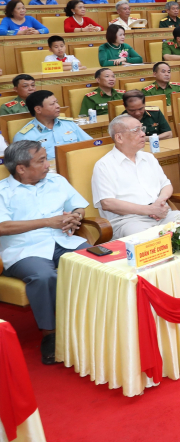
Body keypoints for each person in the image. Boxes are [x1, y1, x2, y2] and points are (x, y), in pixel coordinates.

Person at [0, 140, 90, 364]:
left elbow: (78, 206)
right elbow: (3, 227)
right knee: (43, 276)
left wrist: (75, 217)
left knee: (99, 258)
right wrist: (48, 222)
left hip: (63, 240)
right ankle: (50, 334)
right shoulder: (3, 192)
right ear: (21, 168)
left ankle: (96, 320)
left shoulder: (56, 180)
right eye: (41, 161)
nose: (48, 165)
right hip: (25, 249)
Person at [91, 113, 180, 239]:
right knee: (152, 241)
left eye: (142, 129)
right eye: (136, 131)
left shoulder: (148, 157)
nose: (143, 134)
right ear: (119, 137)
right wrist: (149, 210)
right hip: (128, 221)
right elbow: (108, 203)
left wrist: (159, 202)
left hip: (162, 215)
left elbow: (166, 185)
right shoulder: (104, 165)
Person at [16, 90, 91, 160]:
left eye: (57, 102)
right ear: (38, 109)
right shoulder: (25, 137)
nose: (58, 106)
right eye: (52, 104)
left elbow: (90, 145)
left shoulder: (69, 124)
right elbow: (24, 164)